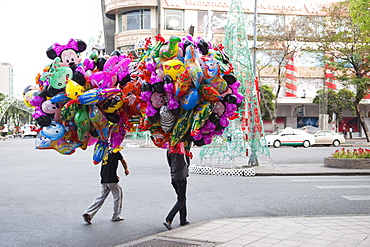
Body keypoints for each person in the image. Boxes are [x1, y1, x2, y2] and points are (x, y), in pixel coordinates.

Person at [82, 149, 129, 224]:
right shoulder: (115, 151)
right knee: (118, 196)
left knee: (101, 197)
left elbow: (107, 166)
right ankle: (116, 216)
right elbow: (123, 161)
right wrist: (126, 169)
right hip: (111, 179)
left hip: (104, 178)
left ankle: (88, 213)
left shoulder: (105, 152)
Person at [163, 142, 191, 230]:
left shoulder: (169, 150)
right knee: (181, 199)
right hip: (181, 177)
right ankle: (169, 219)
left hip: (174, 177)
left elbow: (170, 163)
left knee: (181, 198)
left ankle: (183, 219)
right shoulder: (183, 150)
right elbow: (187, 162)